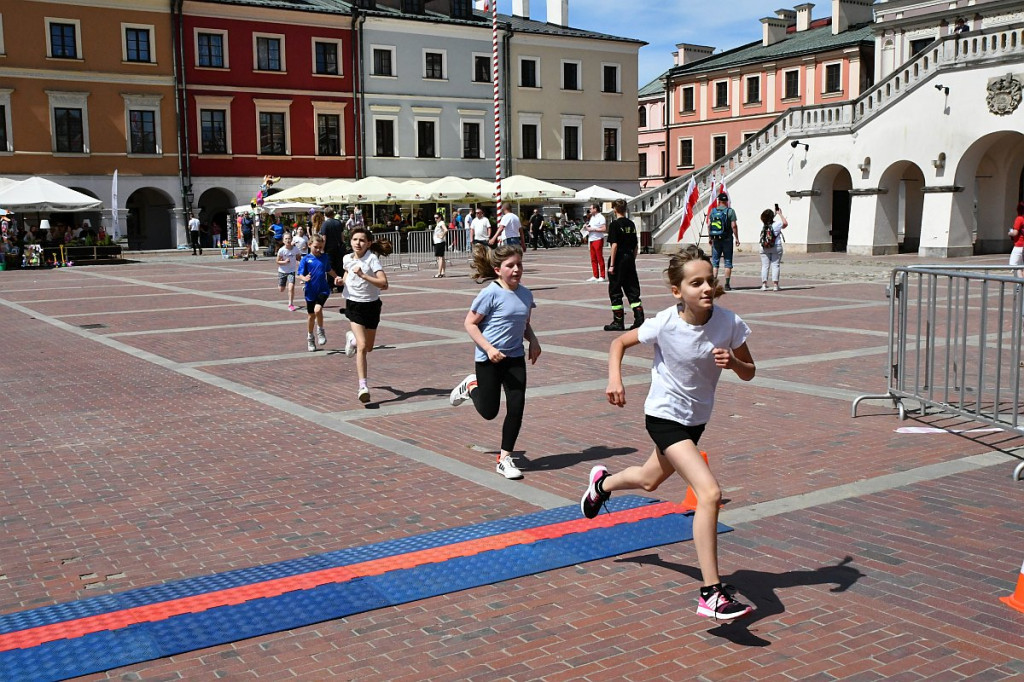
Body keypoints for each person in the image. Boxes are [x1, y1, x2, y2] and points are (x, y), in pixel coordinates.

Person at [580, 244, 756, 621]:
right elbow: (618, 342)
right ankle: (711, 593)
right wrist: (615, 378)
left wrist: (734, 361)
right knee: (709, 493)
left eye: (710, 281)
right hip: (663, 417)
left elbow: (750, 370)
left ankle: (602, 485)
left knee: (648, 480)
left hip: (695, 420)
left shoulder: (729, 323)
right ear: (678, 291)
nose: (706, 288)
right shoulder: (665, 322)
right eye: (696, 283)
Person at [449, 244, 542, 480]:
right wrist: (489, 349)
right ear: (498, 269)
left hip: (514, 358)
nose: (516, 269)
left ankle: (504, 458)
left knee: (517, 407)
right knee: (490, 412)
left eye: (519, 265)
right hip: (488, 359)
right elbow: (470, 324)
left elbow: (523, 323)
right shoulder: (490, 293)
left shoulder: (526, 294)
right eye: (510, 266)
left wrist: (534, 341)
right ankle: (471, 387)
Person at [340, 227, 392, 404]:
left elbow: (384, 284)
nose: (358, 243)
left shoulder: (372, 259)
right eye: (355, 239)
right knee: (362, 347)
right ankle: (363, 387)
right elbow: (347, 273)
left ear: (369, 243)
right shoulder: (347, 258)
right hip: (354, 305)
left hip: (372, 305)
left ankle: (351, 339)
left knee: (368, 347)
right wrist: (341, 280)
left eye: (362, 240)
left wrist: (363, 275)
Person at [296, 234, 344, 352]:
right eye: (316, 247)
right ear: (309, 245)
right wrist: (304, 278)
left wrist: (337, 276)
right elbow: (299, 274)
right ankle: (310, 337)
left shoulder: (324, 257)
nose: (318, 250)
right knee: (311, 315)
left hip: (323, 289)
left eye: (320, 247)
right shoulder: (306, 259)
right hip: (310, 291)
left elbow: (328, 269)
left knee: (318, 310)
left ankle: (320, 330)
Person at [604, 199, 644, 331]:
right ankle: (639, 319)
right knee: (632, 289)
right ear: (625, 209)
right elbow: (636, 246)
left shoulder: (614, 224)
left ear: (615, 210)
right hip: (629, 259)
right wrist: (632, 260)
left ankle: (618, 321)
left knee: (615, 290)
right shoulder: (631, 224)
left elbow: (614, 245)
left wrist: (612, 265)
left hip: (619, 258)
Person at [708, 193, 739, 291]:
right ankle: (727, 284)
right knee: (728, 262)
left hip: (716, 239)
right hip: (727, 239)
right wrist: (737, 238)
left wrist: (710, 237)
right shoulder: (730, 211)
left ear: (718, 201)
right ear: (726, 201)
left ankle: (713, 284)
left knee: (715, 262)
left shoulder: (712, 211)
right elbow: (734, 226)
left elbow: (709, 225)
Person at [759, 205, 788, 291]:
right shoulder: (777, 224)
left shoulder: (764, 225)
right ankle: (775, 285)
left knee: (765, 266)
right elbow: (785, 224)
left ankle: (764, 285)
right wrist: (780, 214)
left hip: (764, 247)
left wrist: (773, 214)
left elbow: (767, 219)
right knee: (775, 265)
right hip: (776, 246)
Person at [321, 208, 345, 292]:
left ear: (325, 214)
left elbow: (324, 238)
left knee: (330, 268)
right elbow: (342, 236)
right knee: (339, 267)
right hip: (339, 248)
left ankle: (331, 286)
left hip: (329, 249)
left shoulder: (325, 224)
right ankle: (340, 286)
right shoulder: (338, 222)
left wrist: (322, 249)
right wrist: (342, 243)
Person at [276, 232, 302, 311]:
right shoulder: (281, 250)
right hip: (282, 271)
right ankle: (281, 285)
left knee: (291, 287)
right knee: (281, 289)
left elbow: (299, 258)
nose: (287, 240)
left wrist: (299, 260)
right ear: (283, 241)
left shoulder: (295, 249)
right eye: (286, 239)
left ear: (291, 239)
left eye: (289, 238)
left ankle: (290, 304)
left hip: (291, 271)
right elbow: (277, 261)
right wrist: (284, 262)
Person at [586, 203, 607, 282]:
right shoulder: (592, 217)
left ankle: (602, 275)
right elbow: (591, 226)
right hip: (591, 239)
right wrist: (587, 227)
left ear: (595, 209)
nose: (590, 210)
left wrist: (593, 229)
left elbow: (604, 228)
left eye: (591, 208)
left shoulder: (601, 217)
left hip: (598, 239)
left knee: (599, 257)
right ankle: (595, 275)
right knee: (593, 258)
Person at [1009, 201, 1024, 277]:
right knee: (1021, 265)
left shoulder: (1019, 219)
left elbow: (1015, 233)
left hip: (1019, 245)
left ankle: (1019, 284)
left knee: (1013, 265)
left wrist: (1010, 233)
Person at [432, 212, 449, 278]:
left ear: (440, 217)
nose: (435, 219)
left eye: (437, 218)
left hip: (439, 242)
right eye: (435, 218)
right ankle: (443, 272)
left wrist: (442, 236)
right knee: (442, 257)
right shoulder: (439, 224)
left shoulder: (441, 223)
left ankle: (439, 272)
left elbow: (446, 230)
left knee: (440, 258)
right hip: (438, 242)